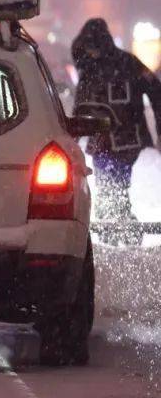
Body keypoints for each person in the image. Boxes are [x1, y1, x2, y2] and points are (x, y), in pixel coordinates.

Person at [72, 18, 161, 237]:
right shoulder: (130, 63)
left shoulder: (91, 69)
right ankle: (119, 219)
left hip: (104, 138)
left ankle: (114, 221)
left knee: (108, 181)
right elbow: (156, 91)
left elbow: (80, 105)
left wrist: (70, 135)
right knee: (117, 180)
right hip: (128, 137)